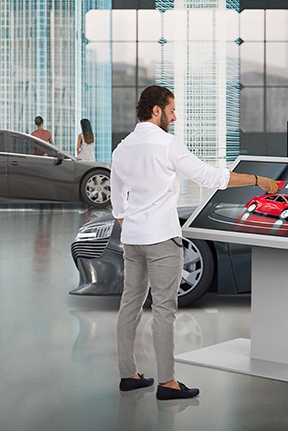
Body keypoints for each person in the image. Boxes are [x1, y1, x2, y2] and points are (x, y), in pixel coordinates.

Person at [111, 85, 279, 400]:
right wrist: (257, 180)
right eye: (171, 110)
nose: (175, 116)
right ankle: (167, 383)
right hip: (162, 239)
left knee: (129, 305)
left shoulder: (122, 148)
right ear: (156, 110)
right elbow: (209, 177)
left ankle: (128, 375)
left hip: (132, 241)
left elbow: (117, 198)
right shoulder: (167, 145)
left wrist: (131, 224)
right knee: (164, 310)